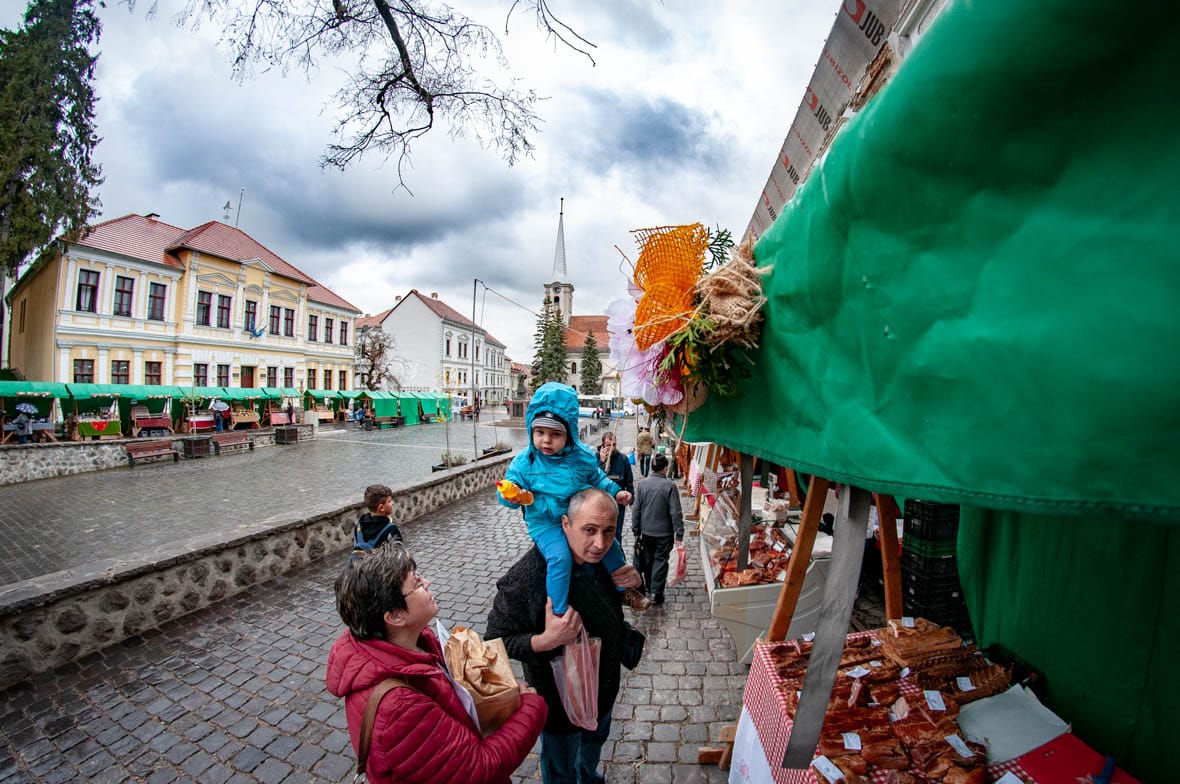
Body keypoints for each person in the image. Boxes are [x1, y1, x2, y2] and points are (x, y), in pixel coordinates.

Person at [327, 545, 548, 784]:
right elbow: (477, 770)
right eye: (417, 583)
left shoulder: (412, 644)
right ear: (395, 617)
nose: (427, 583)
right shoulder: (399, 708)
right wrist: (530, 707)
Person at [486, 488, 644, 784]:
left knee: (592, 748)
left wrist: (635, 584)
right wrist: (545, 641)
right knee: (561, 769)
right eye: (589, 530)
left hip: (604, 691)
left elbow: (618, 602)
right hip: (559, 706)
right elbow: (494, 642)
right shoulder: (528, 576)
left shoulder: (608, 562)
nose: (599, 544)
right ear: (565, 524)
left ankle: (587, 775)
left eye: (609, 531)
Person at [498, 382, 649, 614]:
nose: (546, 440)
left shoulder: (581, 457)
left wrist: (616, 492)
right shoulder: (525, 462)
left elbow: (597, 478)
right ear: (531, 430)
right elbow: (510, 489)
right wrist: (511, 496)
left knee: (610, 546)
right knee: (560, 558)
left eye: (555, 434)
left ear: (569, 434)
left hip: (576, 517)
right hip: (546, 524)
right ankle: (558, 611)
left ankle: (624, 590)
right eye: (540, 432)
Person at [631, 454, 684, 605]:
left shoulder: (642, 484)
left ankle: (649, 586)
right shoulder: (669, 486)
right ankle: (656, 593)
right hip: (664, 532)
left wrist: (636, 530)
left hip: (646, 530)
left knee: (648, 559)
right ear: (665, 468)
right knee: (660, 561)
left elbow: (636, 510)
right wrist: (679, 533)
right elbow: (676, 512)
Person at [596, 432, 633, 546]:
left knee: (616, 533)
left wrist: (631, 501)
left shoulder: (623, 459)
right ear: (603, 445)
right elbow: (594, 478)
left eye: (614, 445)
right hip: (601, 502)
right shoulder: (596, 458)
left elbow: (629, 481)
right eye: (608, 445)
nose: (611, 448)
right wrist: (601, 462)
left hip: (618, 503)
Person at [353, 484, 404, 555]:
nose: (392, 503)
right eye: (389, 501)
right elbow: (400, 554)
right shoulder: (391, 529)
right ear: (381, 508)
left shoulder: (359, 526)